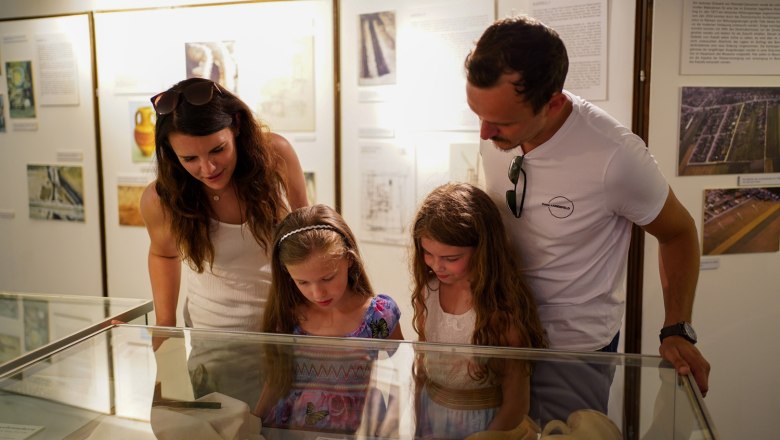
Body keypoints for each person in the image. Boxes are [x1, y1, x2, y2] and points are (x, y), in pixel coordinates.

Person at [464, 15, 710, 418]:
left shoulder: (615, 157)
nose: (484, 134)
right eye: (477, 113)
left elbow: (678, 233)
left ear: (554, 103)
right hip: (499, 330)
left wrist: (677, 328)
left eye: (502, 122)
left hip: (572, 350)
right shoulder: (497, 125)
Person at [140, 77, 308, 331]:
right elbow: (164, 253)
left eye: (218, 150)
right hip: (211, 335)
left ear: (237, 124)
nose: (208, 168)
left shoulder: (275, 155)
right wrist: (165, 323)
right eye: (189, 158)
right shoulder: (161, 198)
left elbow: (306, 235)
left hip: (285, 327)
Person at [409, 182, 547, 438]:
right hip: (433, 416)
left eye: (451, 258)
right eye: (427, 253)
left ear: (483, 250)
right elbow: (422, 369)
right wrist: (418, 426)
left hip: (485, 425)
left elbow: (517, 403)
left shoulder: (502, 310)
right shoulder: (428, 293)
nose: (436, 266)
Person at [255, 204, 404, 436]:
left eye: (328, 278)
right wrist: (252, 424)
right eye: (303, 282)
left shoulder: (379, 316)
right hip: (293, 432)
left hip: (356, 433)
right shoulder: (288, 316)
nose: (318, 293)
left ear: (349, 259)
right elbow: (276, 379)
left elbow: (402, 377)